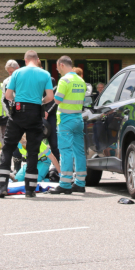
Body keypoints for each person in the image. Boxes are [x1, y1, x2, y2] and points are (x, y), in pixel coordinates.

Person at [0, 50, 54, 198]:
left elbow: (8, 96)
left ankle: (2, 186)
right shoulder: (45, 74)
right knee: (33, 151)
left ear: (25, 60)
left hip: (18, 112)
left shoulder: (17, 73)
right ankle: (30, 189)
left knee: (8, 148)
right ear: (37, 59)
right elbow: (50, 96)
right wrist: (40, 102)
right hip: (35, 113)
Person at [49, 56, 88, 194]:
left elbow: (58, 100)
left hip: (66, 119)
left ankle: (65, 184)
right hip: (78, 118)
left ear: (61, 65)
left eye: (57, 68)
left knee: (65, 151)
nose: (58, 70)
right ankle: (80, 183)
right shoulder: (81, 80)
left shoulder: (64, 80)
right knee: (79, 151)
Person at [42, 76, 60, 163]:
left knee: (54, 142)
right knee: (36, 142)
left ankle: (56, 167)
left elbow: (54, 99)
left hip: (51, 115)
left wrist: (47, 111)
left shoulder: (50, 80)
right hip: (36, 115)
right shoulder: (31, 79)